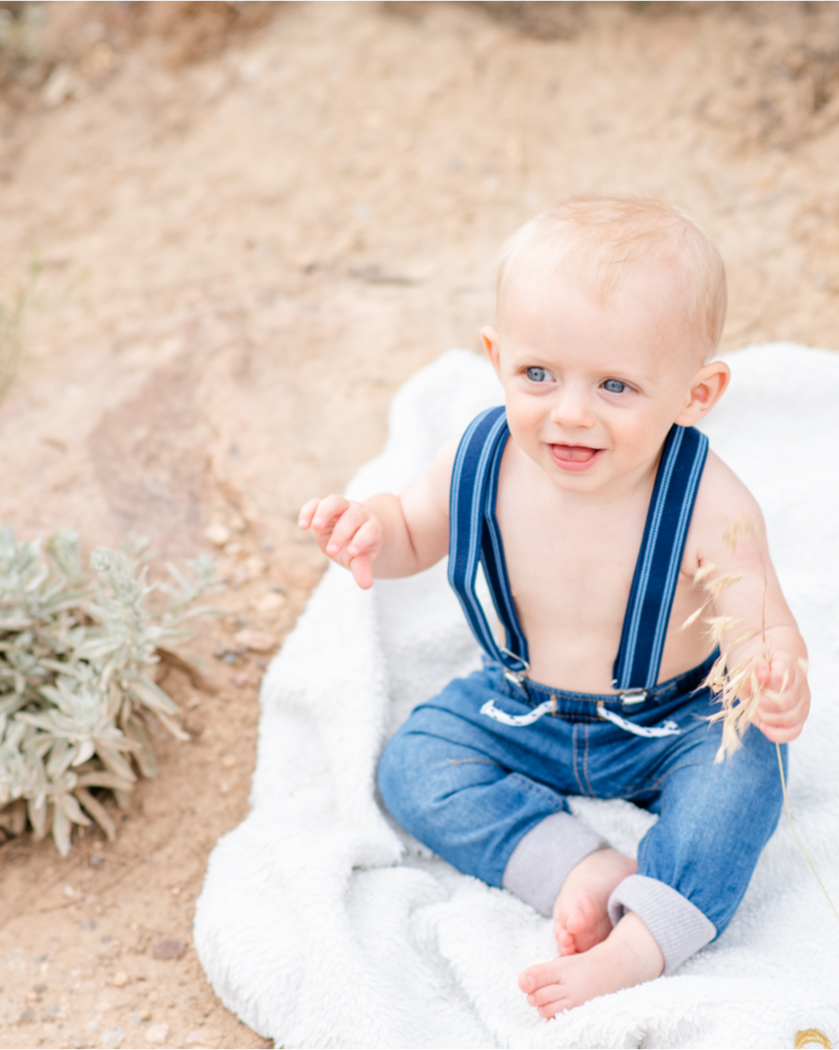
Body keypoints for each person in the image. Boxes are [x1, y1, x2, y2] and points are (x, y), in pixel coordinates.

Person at [298, 196, 811, 1019]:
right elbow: (412, 532)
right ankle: (574, 866)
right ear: (497, 358)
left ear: (695, 392)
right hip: (519, 705)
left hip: (668, 723)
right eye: (539, 375)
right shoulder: (479, 456)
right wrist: (370, 531)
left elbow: (759, 622)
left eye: (615, 385)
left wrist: (773, 675)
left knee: (745, 769)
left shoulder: (707, 499)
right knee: (414, 765)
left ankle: (645, 939)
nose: (570, 411)